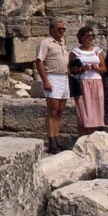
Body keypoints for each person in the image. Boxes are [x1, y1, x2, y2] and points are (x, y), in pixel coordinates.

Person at [35, 19, 70, 153]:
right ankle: (51, 142)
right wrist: (45, 81)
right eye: (59, 29)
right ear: (51, 30)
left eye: (63, 29)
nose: (61, 31)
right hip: (52, 77)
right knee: (52, 111)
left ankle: (57, 138)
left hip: (64, 77)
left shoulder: (62, 43)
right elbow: (39, 62)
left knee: (60, 112)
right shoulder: (45, 43)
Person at [71, 25, 106, 134]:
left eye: (92, 36)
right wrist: (82, 69)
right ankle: (83, 135)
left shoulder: (97, 51)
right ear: (81, 37)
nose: (91, 38)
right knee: (84, 111)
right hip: (83, 82)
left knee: (96, 109)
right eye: (88, 36)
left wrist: (97, 68)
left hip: (96, 81)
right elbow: (72, 70)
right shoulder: (75, 52)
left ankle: (94, 134)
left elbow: (104, 68)